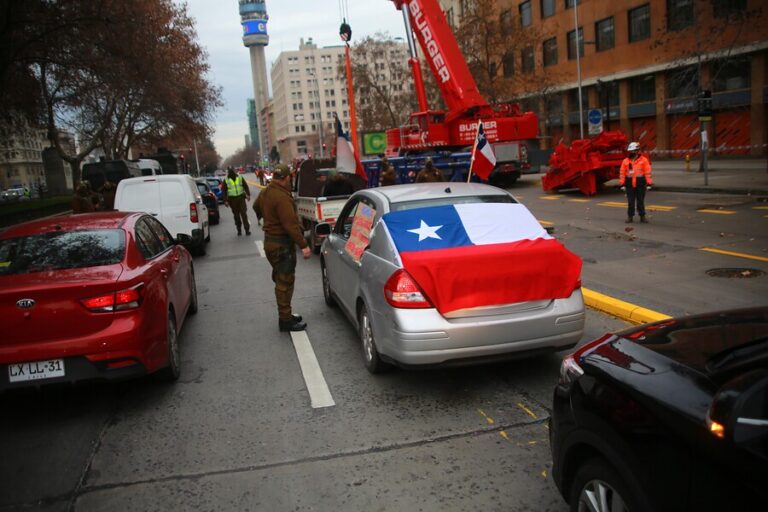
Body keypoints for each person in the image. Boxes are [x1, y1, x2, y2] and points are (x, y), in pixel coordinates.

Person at [253, 164, 311, 332]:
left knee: (281, 278)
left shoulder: (266, 191)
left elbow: (256, 207)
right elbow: (291, 225)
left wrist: (267, 221)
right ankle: (285, 320)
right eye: (289, 178)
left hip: (271, 242)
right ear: (286, 178)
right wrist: (304, 245)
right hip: (281, 244)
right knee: (284, 282)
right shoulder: (281, 197)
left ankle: (286, 315)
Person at [619, 141, 653, 223]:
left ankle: (642, 216)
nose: (631, 152)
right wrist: (622, 183)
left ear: (638, 151)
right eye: (631, 151)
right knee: (630, 202)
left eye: (633, 151)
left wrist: (649, 183)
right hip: (630, 184)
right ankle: (630, 217)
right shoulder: (625, 161)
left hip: (640, 183)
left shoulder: (644, 160)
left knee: (640, 201)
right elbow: (622, 173)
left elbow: (647, 172)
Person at [222, 167, 251, 235]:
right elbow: (224, 191)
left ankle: (247, 230)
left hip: (241, 198)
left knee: (244, 214)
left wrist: (248, 194)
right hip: (232, 200)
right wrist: (225, 201)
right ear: (228, 173)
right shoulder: (226, 180)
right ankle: (239, 230)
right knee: (236, 215)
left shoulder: (240, 177)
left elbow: (245, 186)